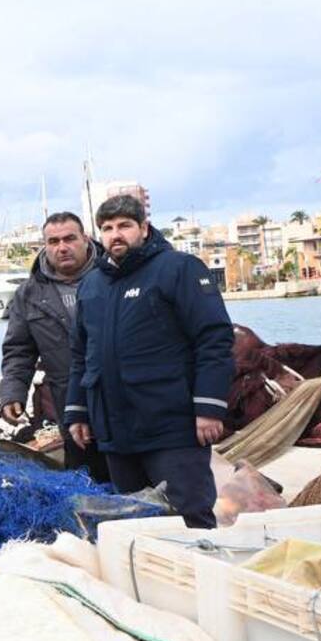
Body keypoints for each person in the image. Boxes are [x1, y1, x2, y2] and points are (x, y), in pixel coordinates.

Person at [64, 194, 234, 528]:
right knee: (134, 521)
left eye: (125, 225)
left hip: (172, 428)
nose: (116, 234)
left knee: (188, 517)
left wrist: (209, 407)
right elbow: (82, 356)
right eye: (108, 228)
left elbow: (214, 339)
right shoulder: (92, 285)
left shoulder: (179, 269)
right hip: (115, 432)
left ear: (143, 228)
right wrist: (78, 411)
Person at [0, 211, 108, 481]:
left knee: (130, 476)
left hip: (121, 397)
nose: (62, 247)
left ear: (85, 239)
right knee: (85, 479)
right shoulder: (29, 294)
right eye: (54, 241)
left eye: (70, 239)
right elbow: (19, 350)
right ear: (45, 246)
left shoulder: (115, 277)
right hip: (68, 401)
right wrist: (13, 392)